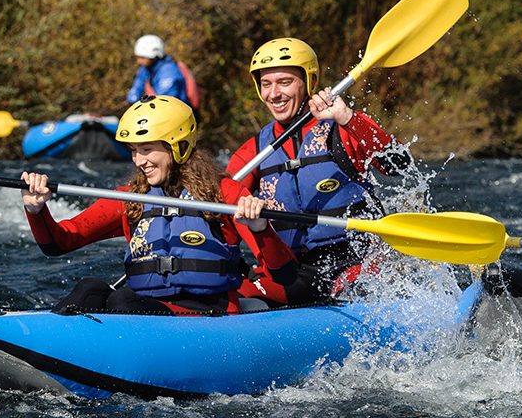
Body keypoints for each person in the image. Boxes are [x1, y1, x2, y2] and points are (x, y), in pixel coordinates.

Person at [21, 96, 296, 314]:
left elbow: (284, 273)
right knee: (89, 290)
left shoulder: (224, 193)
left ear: (178, 145)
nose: (139, 161)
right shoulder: (130, 198)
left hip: (209, 314)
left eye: (148, 148)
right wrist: (36, 209)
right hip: (147, 307)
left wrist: (260, 227)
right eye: (133, 151)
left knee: (124, 302)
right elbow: (59, 243)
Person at [226, 37, 410, 304]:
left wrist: (347, 118)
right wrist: (262, 250)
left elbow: (398, 165)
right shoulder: (253, 151)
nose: (273, 94)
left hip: (353, 262)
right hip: (292, 272)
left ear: (309, 82)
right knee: (243, 295)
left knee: (356, 290)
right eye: (266, 84)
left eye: (284, 82)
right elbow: (223, 205)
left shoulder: (342, 125)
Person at [126, 35, 200, 109]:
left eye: (142, 57)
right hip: (158, 111)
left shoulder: (169, 71)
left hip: (176, 113)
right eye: (138, 57)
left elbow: (165, 102)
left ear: (154, 56)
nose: (139, 61)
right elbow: (134, 93)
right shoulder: (145, 69)